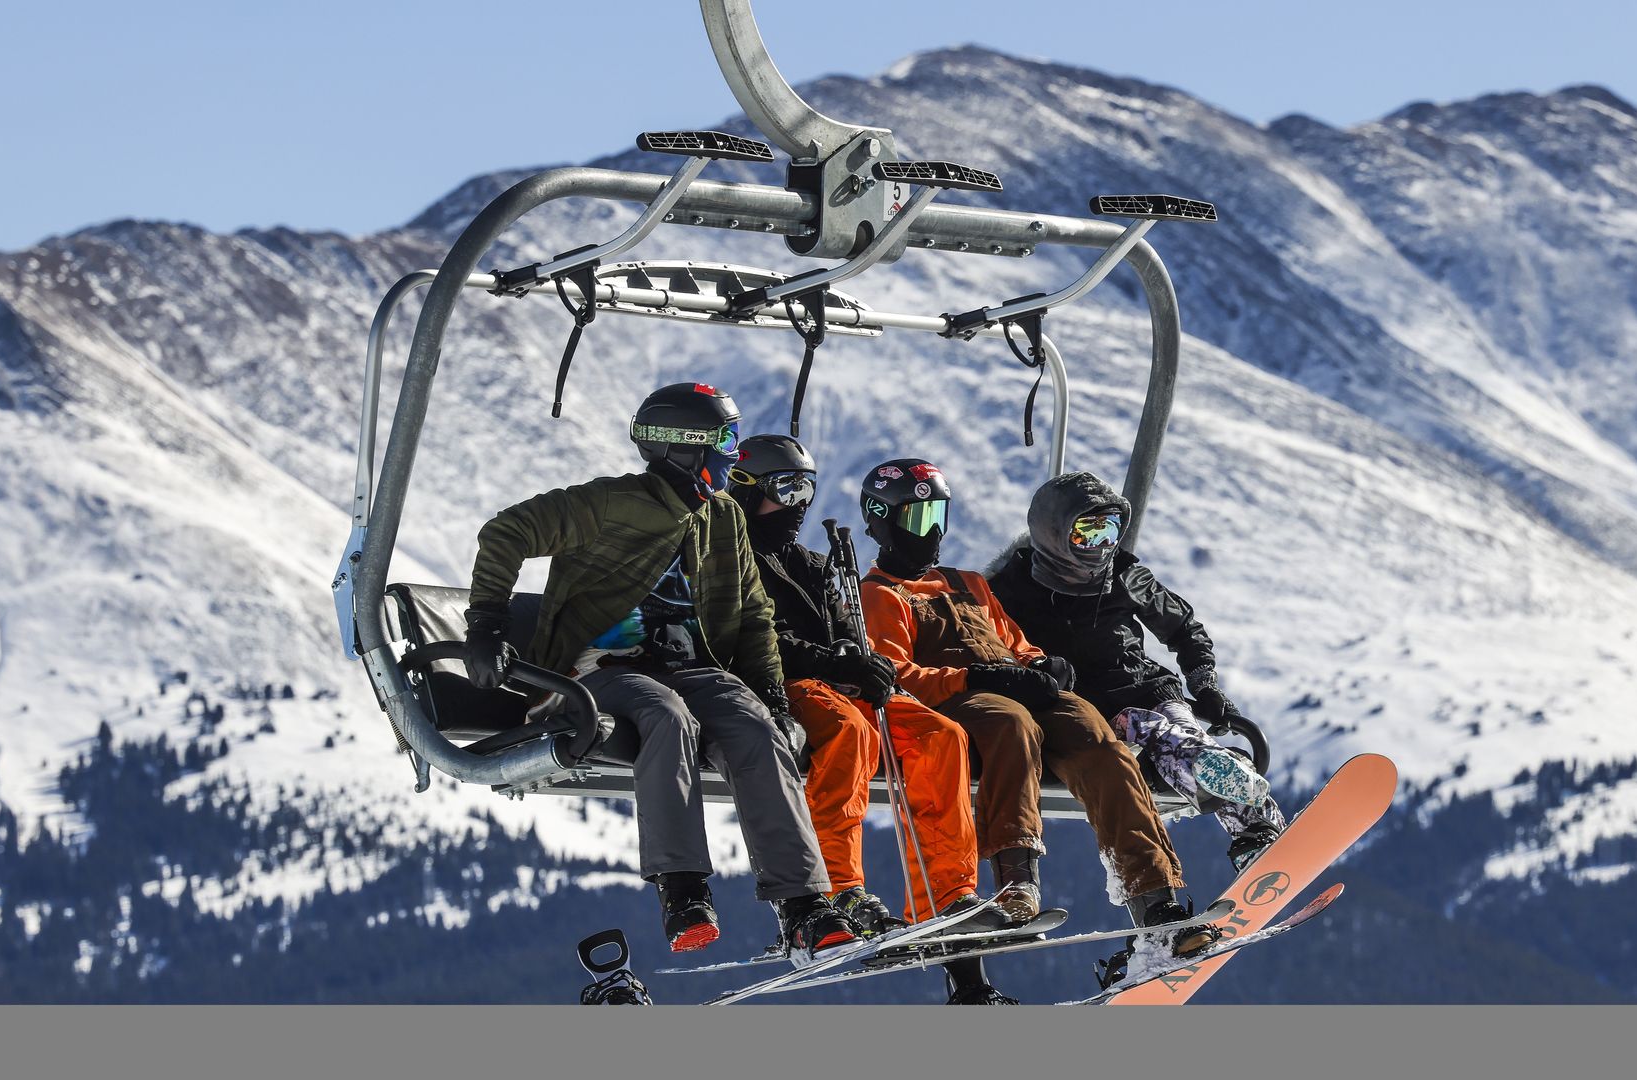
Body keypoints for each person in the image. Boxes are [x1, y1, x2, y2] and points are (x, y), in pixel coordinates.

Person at [462, 382, 857, 966]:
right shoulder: (611, 504)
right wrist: (487, 625)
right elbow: (507, 533)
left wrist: (772, 696)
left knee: (756, 728)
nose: (734, 451)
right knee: (665, 719)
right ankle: (684, 891)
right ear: (684, 446)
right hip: (600, 670)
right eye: (726, 438)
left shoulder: (723, 517)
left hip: (693, 667)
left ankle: (802, 906)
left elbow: (754, 614)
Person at [854, 459, 1220, 963]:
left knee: (1100, 743)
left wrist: (1042, 666)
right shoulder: (879, 596)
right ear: (881, 519)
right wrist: (978, 677)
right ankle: (1017, 883)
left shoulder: (968, 584)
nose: (933, 530)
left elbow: (1014, 641)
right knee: (1011, 724)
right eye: (919, 518)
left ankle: (1156, 901)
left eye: (939, 513)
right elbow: (896, 675)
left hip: (1016, 685)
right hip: (961, 699)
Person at [729, 435, 1015, 1004]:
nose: (798, 503)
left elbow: (844, 633)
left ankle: (949, 896)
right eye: (785, 489)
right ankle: (839, 888)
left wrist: (861, 658)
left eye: (805, 488)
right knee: (849, 732)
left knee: (940, 735)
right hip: (778, 680)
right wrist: (836, 661)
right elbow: (748, 637)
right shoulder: (726, 561)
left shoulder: (809, 564)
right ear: (745, 490)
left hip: (835, 678)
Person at [986, 471, 1285, 875]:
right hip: (1089, 711)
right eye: (1087, 534)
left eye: (1109, 532)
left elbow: (1183, 628)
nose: (1101, 546)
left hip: (1148, 688)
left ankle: (1254, 829)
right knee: (1153, 733)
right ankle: (1239, 800)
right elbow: (985, 649)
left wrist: (1204, 684)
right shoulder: (1009, 591)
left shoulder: (1124, 575)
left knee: (1176, 727)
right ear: (1054, 533)